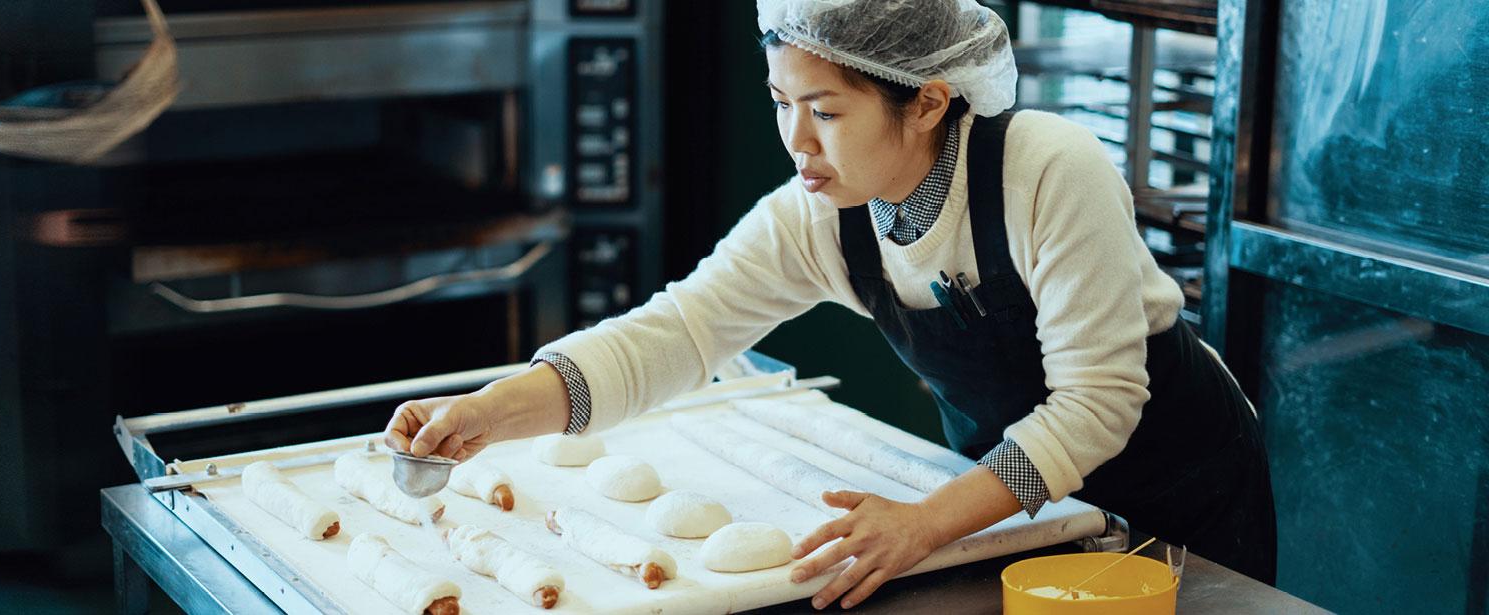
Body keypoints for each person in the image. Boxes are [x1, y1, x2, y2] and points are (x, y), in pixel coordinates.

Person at [384, 0, 1276, 608]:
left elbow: (1099, 402)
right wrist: (493, 411)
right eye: (780, 102)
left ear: (926, 100)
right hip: (1020, 509)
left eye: (827, 110)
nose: (795, 140)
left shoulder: (1049, 171)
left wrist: (927, 520)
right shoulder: (824, 217)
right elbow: (678, 331)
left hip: (1181, 497)